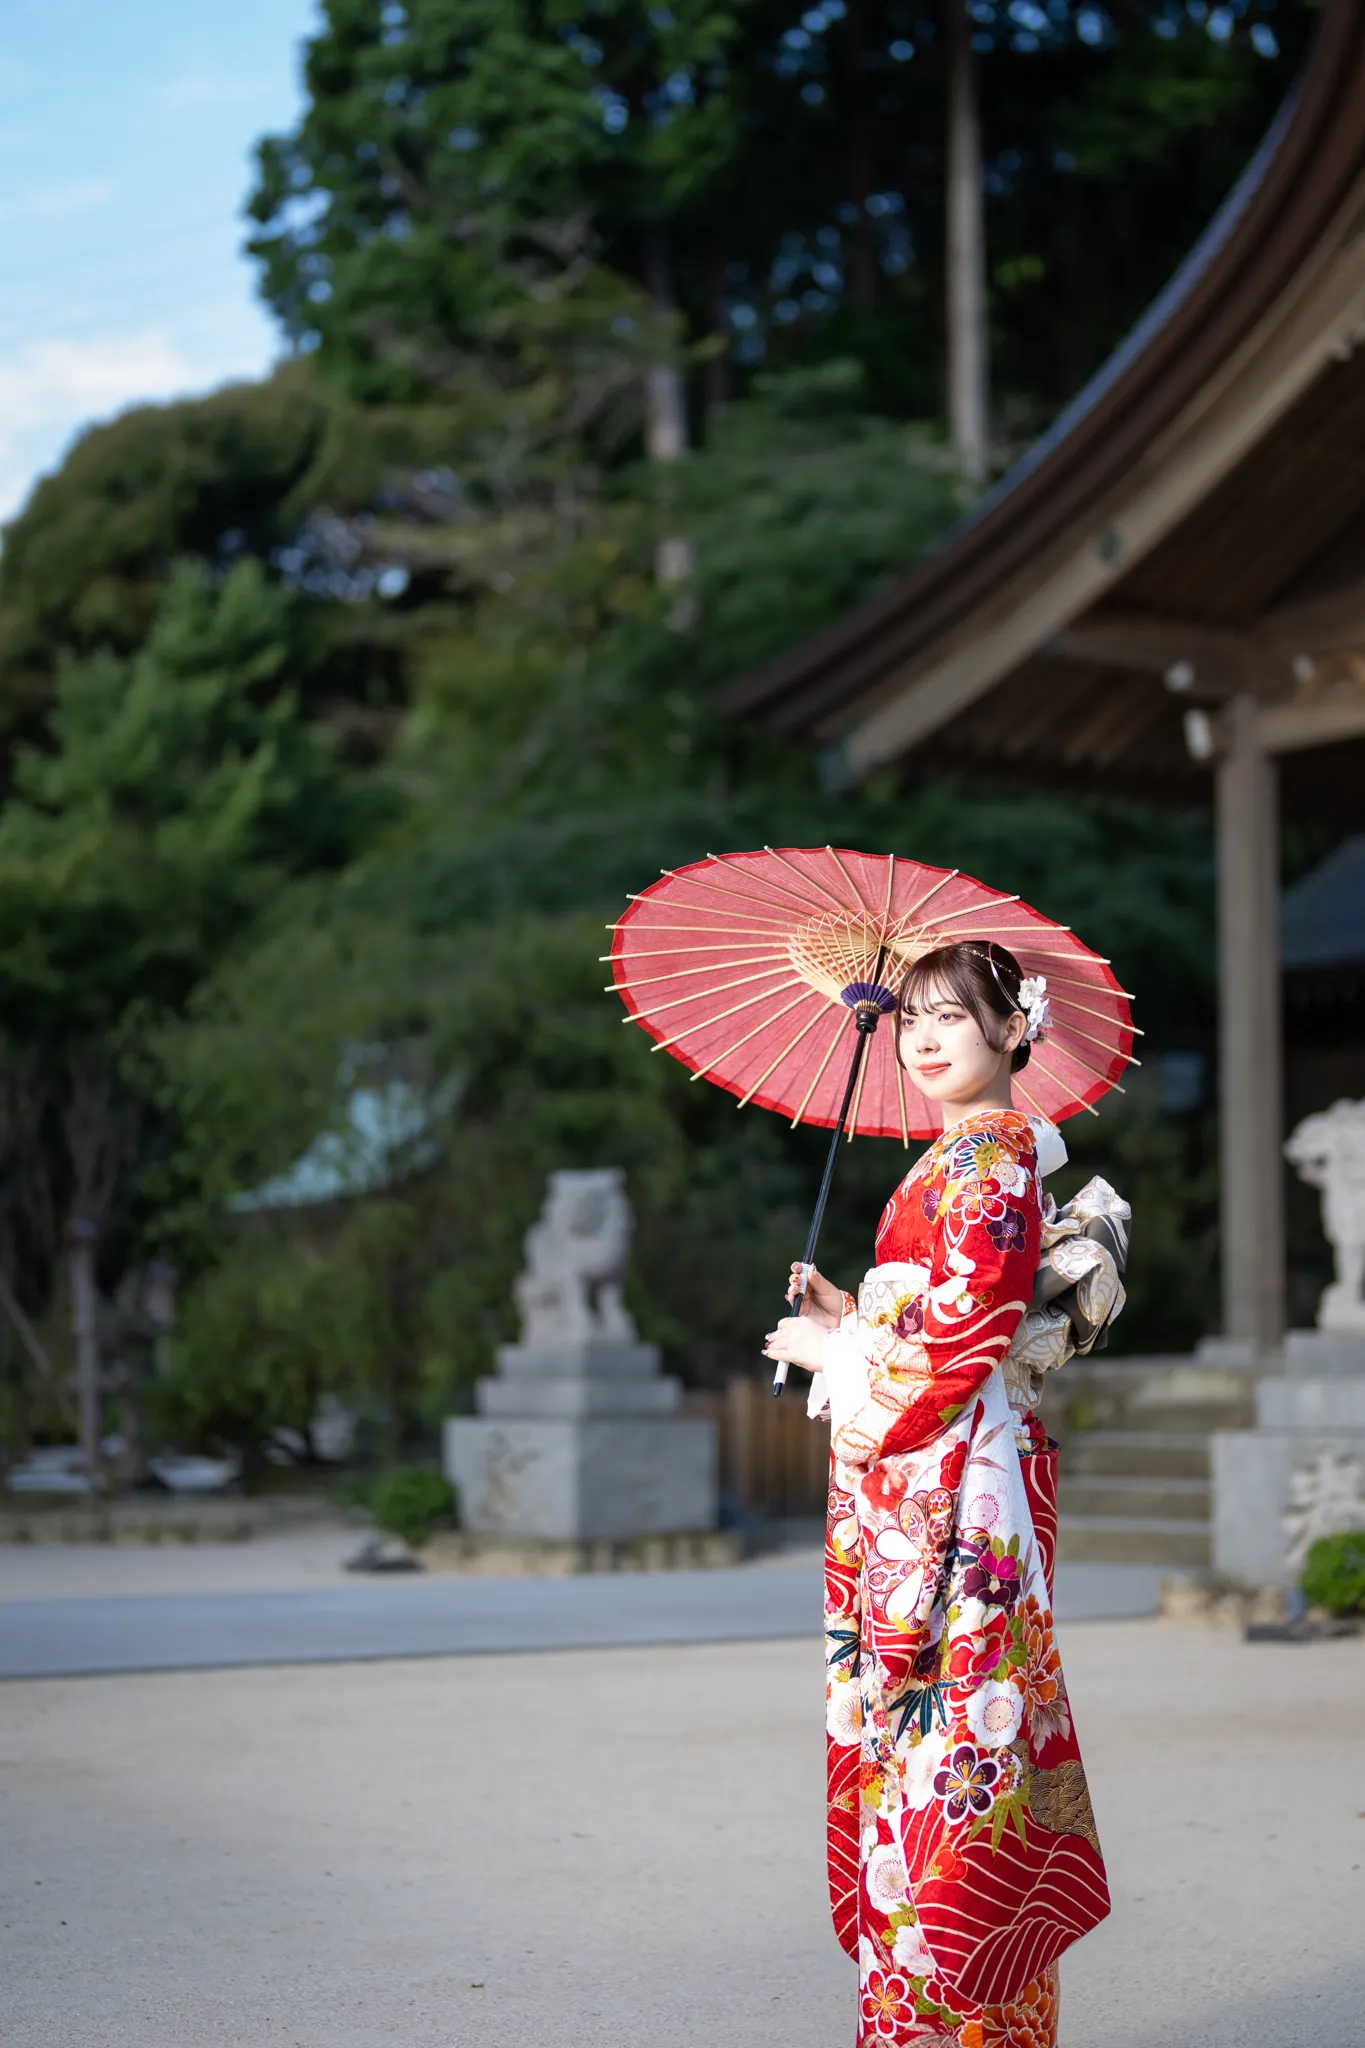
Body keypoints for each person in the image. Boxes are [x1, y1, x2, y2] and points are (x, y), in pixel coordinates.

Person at [764, 939, 1116, 2048]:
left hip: (962, 1496)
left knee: (958, 1746)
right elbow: (932, 1314)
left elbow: (965, 1339)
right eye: (909, 1015)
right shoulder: (955, 1159)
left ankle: (956, 2023)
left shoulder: (993, 1162)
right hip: (935, 1481)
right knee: (925, 1749)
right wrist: (845, 1308)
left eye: (952, 1016)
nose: (921, 1034)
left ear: (1015, 1030)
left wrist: (835, 1356)